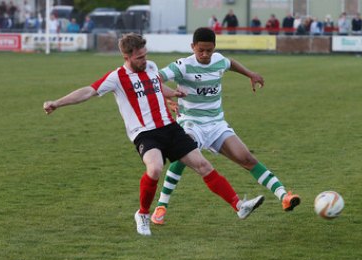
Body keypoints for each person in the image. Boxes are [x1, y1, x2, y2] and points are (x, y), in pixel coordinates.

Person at [43, 32, 265, 236]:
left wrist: (174, 93)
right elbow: (87, 91)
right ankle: (142, 214)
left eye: (145, 55)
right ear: (127, 56)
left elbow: (156, 87)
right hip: (145, 133)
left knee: (203, 166)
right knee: (155, 167)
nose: (144, 60)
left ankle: (239, 206)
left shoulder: (150, 68)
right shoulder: (117, 77)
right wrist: (57, 103)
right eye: (139, 57)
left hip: (170, 127)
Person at [151, 27, 301, 225]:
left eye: (209, 50)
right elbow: (153, 81)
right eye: (200, 50)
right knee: (184, 153)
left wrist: (250, 74)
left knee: (246, 158)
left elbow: (231, 64)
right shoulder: (182, 66)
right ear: (192, 47)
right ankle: (161, 207)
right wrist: (170, 95)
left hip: (216, 124)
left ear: (214, 48)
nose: (205, 55)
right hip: (191, 122)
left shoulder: (218, 60)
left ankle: (284, 196)